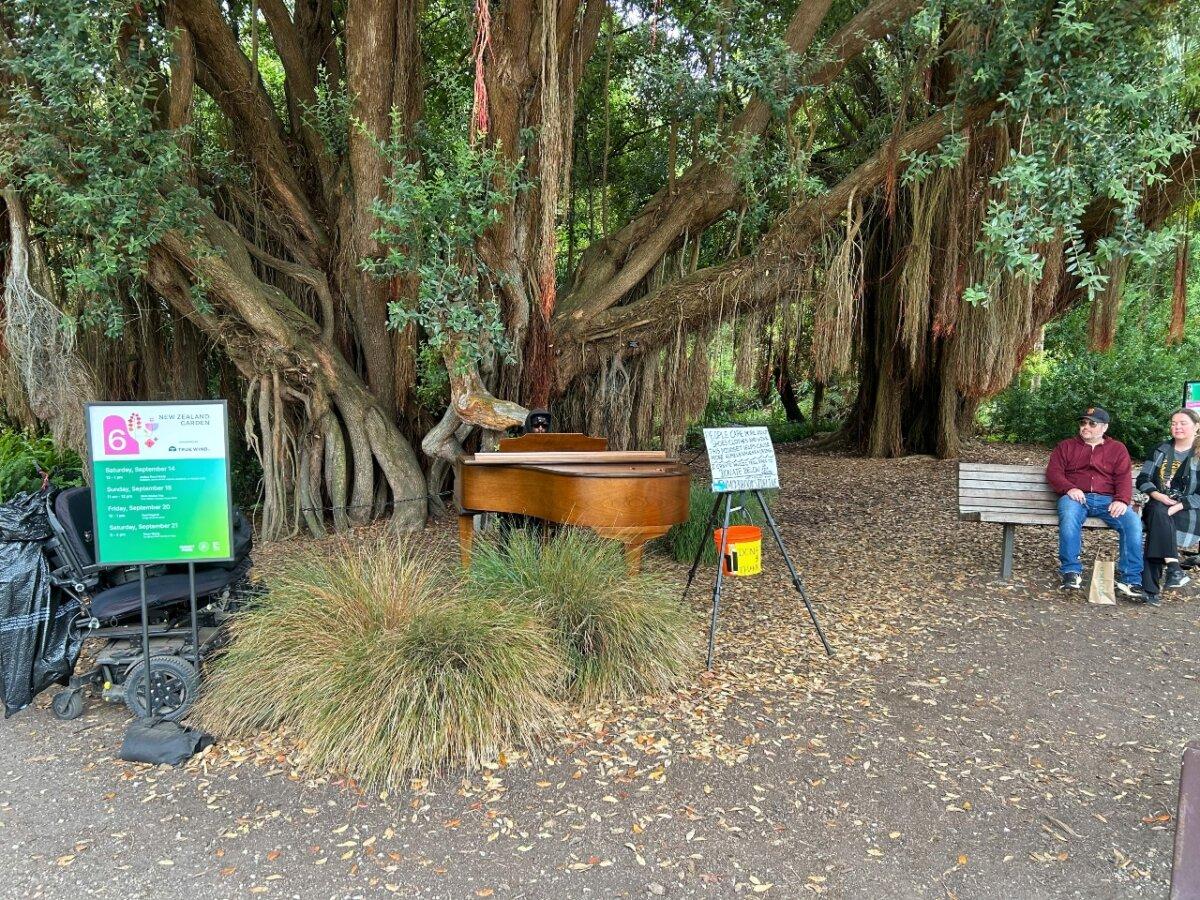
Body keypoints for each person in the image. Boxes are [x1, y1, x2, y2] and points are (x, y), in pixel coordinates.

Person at [1045, 406, 1145, 598]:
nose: (1086, 427)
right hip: (1076, 498)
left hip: (1108, 500)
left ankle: (1131, 580)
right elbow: (1054, 473)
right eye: (1083, 423)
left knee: (1132, 522)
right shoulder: (1066, 446)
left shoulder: (1117, 449)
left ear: (1104, 428)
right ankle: (1071, 572)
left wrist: (1122, 500)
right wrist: (1069, 488)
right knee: (1069, 515)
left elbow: (1123, 478)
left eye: (1092, 424)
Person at [1136, 408, 1200, 606]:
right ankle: (1173, 569)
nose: (1177, 427)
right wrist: (1157, 495)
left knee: (1159, 522)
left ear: (1196, 426)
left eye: (1182, 423)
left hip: (1189, 510)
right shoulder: (1161, 449)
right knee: (1158, 514)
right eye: (1173, 423)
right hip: (1159, 503)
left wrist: (1179, 505)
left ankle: (1151, 590)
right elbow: (1143, 479)